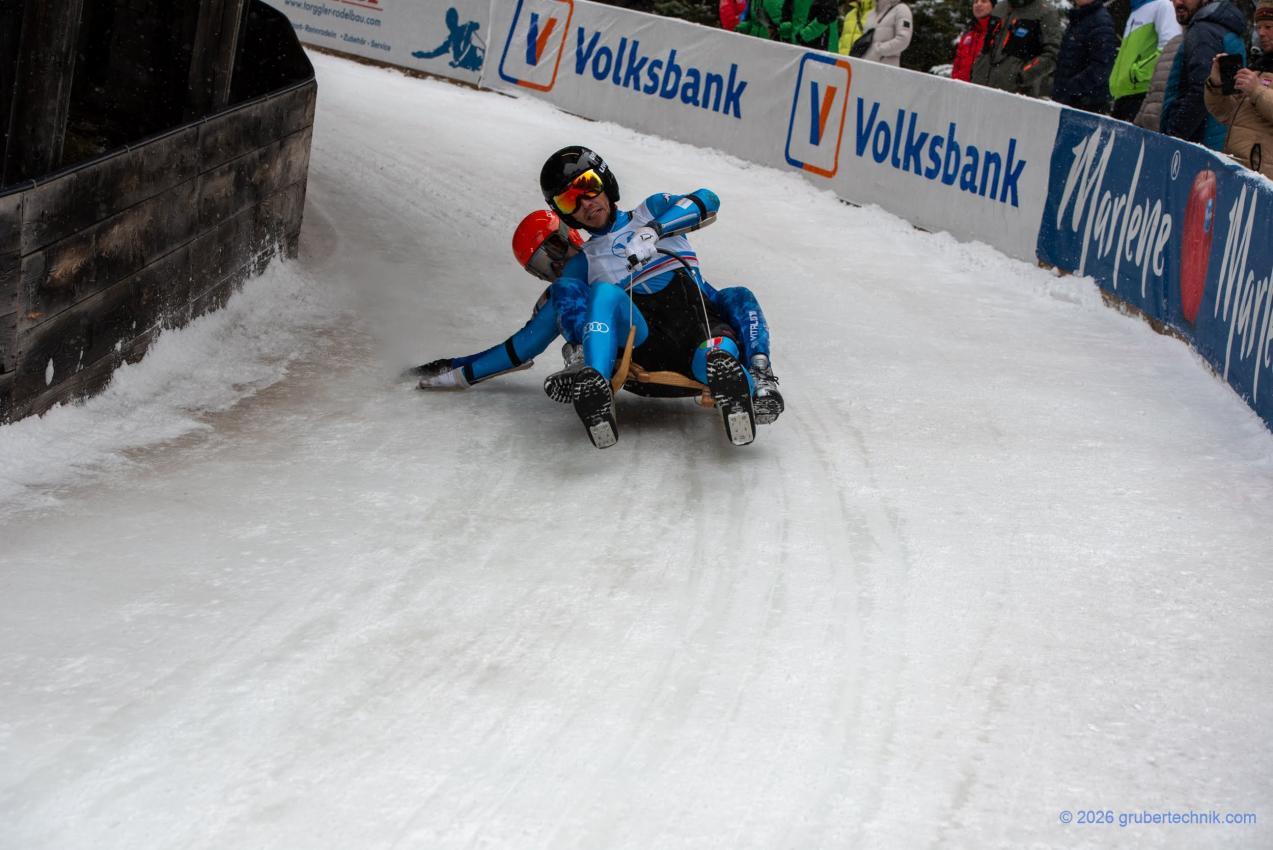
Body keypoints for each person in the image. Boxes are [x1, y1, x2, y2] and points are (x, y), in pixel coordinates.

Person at [414, 206, 785, 433]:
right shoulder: (568, 286)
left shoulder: (615, 243)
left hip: (696, 332)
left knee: (737, 297)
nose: (556, 266)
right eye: (543, 265)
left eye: (555, 250)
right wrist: (460, 369)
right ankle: (587, 367)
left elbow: (716, 291)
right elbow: (524, 344)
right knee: (578, 296)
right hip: (638, 349)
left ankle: (757, 377)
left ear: (568, 234)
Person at [538, 146, 778, 449]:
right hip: (644, 343)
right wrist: (462, 372)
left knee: (729, 316)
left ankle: (752, 380)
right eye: (569, 200)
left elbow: (707, 199)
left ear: (605, 180)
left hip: (693, 323)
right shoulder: (583, 261)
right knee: (603, 293)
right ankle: (592, 380)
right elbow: (529, 338)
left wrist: (654, 230)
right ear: (563, 213)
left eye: (588, 186)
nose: (585, 203)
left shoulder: (650, 210)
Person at [1161, 0, 1248, 148]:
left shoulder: (1203, 31)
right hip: (1219, 139)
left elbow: (1201, 90)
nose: (1177, 2)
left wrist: (1173, 135)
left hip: (1199, 145)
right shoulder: (1222, 28)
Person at [1204, 0, 1273, 177]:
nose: (1262, 33)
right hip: (1238, 171)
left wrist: (1257, 91)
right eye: (1259, 27)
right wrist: (1216, 85)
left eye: (1268, 27)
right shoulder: (1258, 66)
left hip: (1263, 180)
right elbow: (1225, 114)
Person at [970, 0, 1063, 98]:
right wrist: (977, 67)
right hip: (979, 86)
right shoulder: (999, 8)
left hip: (1014, 95)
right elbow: (986, 46)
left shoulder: (1045, 12)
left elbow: (1053, 53)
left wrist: (1022, 76)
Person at [1108, 0, 1183, 120]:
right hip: (1124, 94)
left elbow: (1170, 47)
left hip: (1142, 94)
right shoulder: (1135, 10)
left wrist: (1137, 74)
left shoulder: (1163, 5)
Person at [1051, 0, 1119, 112]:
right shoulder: (1079, 18)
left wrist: (1071, 88)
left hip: (1085, 105)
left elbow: (1102, 66)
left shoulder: (1100, 21)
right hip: (1067, 100)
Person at [852, 0, 913, 65]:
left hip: (885, 69)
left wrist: (878, 50)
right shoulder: (871, 14)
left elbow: (903, 40)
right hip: (866, 66)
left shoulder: (901, 9)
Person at [951, 0, 994, 82]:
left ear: (993, 6)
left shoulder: (998, 32)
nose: (978, 4)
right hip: (959, 86)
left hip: (982, 90)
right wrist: (955, 79)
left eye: (984, 1)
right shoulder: (968, 32)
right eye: (975, 2)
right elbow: (957, 61)